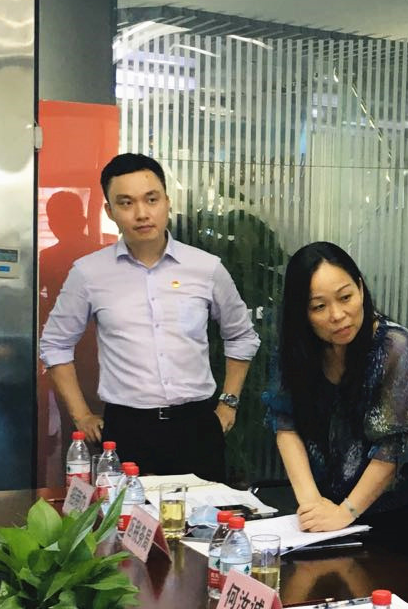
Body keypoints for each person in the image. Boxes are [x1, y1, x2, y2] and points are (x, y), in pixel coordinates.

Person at [38, 153, 260, 480]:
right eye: (126, 203)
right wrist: (82, 415)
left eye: (151, 199)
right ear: (109, 212)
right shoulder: (89, 273)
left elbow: (241, 335)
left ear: (167, 202)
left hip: (197, 427)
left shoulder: (206, 268)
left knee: (203, 512)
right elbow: (55, 345)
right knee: (127, 513)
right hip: (127, 429)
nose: (141, 213)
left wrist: (228, 404)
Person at [265, 242, 408, 570]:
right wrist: (311, 504)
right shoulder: (296, 350)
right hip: (331, 518)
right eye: (319, 306)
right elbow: (286, 424)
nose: (337, 315)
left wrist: (345, 512)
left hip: (401, 519)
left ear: (361, 289)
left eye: (346, 297)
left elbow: (394, 447)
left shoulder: (394, 347)